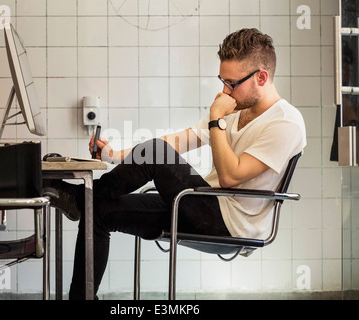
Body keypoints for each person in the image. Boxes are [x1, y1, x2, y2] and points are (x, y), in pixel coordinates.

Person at [46, 28, 306, 300]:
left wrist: (216, 118)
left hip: (229, 222)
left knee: (153, 156)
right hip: (200, 203)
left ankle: (77, 197)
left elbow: (231, 177)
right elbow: (177, 141)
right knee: (97, 210)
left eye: (231, 83)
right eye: (222, 81)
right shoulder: (235, 109)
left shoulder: (285, 122)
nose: (224, 91)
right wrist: (114, 154)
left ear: (261, 77)